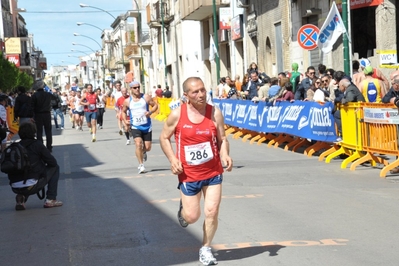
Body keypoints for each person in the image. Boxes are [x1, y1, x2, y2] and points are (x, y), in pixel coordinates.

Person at [159, 77, 233, 266]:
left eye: (202, 90)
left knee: (212, 211)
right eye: (195, 92)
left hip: (213, 172)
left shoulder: (214, 112)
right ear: (186, 95)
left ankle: (206, 248)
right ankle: (183, 210)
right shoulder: (177, 114)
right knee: (192, 217)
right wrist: (173, 159)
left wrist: (225, 154)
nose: (201, 95)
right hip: (189, 174)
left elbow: (223, 138)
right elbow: (164, 138)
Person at [9, 122, 62, 211]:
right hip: (32, 183)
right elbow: (52, 162)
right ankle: (50, 199)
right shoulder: (37, 144)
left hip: (15, 185)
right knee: (55, 168)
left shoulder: (15, 146)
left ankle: (22, 198)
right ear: (33, 132)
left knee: (25, 173)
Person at [122, 81, 158, 174]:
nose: (137, 89)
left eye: (138, 87)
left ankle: (144, 152)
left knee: (148, 147)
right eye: (135, 88)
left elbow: (155, 105)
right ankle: (141, 165)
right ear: (131, 89)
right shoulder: (127, 101)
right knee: (138, 144)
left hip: (146, 125)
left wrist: (150, 112)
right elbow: (123, 111)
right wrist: (125, 121)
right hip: (135, 126)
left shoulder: (145, 97)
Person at [31, 80, 55, 152]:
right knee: (48, 131)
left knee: (39, 131)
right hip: (47, 114)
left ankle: (40, 147)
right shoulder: (48, 94)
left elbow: (32, 106)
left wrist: (32, 116)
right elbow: (54, 99)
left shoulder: (34, 95)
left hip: (38, 114)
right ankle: (49, 146)